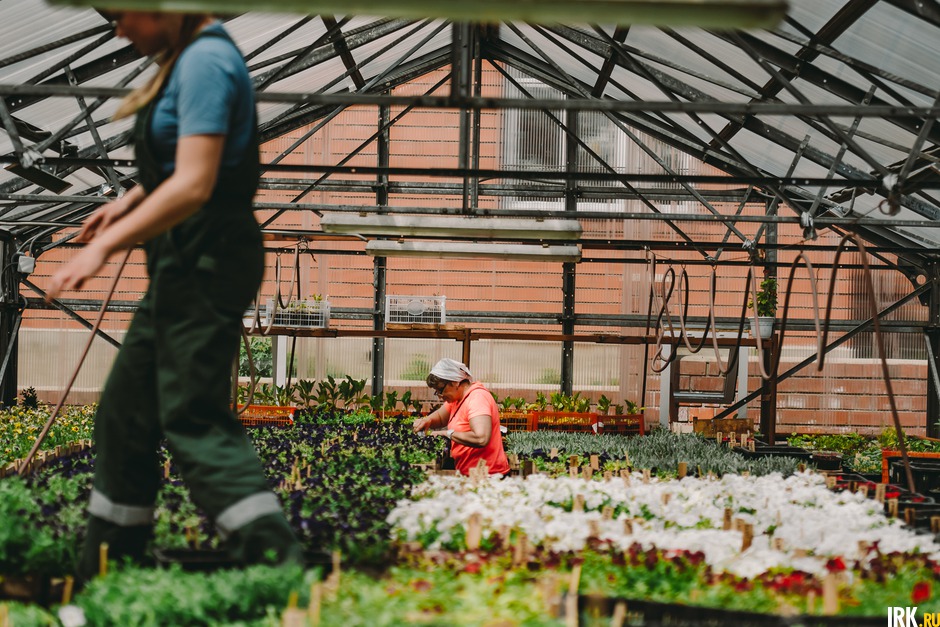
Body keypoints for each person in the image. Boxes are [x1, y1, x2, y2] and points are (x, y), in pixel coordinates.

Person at [44, 11, 302, 579]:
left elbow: (194, 182)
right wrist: (129, 200)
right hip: (185, 264)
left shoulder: (207, 60)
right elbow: (178, 160)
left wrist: (104, 245)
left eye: (121, 14)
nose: (117, 31)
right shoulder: (188, 59)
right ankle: (113, 569)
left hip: (206, 261)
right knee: (124, 414)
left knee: (192, 415)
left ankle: (277, 565)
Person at [412, 358, 510, 477]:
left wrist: (447, 434)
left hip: (487, 475)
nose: (439, 396)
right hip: (470, 473)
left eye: (440, 390)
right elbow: (440, 417)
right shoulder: (457, 399)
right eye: (436, 392)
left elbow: (481, 438)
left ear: (455, 383)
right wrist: (426, 420)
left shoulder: (477, 398)